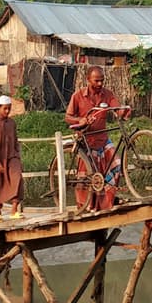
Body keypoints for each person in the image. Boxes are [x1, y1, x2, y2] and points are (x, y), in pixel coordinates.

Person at [64, 65, 130, 211]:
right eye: (96, 81)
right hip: (86, 139)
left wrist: (123, 112)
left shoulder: (107, 94)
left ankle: (106, 202)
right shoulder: (78, 96)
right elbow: (68, 117)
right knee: (87, 176)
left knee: (116, 164)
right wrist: (80, 120)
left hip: (103, 139)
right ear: (88, 80)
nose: (100, 84)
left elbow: (116, 108)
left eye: (102, 80)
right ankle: (86, 206)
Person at [0, 95, 23, 221]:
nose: (7, 111)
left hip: (12, 155)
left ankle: (14, 209)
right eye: (5, 109)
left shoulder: (12, 123)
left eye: (9, 109)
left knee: (17, 178)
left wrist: (17, 156)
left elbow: (15, 140)